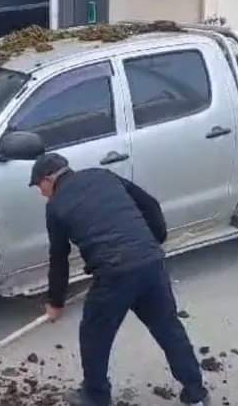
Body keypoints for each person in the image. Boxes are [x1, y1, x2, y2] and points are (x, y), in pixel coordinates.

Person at [30, 153, 209, 406]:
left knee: (94, 334)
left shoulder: (56, 206)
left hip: (114, 274)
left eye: (39, 186)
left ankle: (95, 395)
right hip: (150, 264)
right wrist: (153, 243)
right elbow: (150, 204)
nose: (41, 193)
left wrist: (55, 302)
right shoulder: (103, 175)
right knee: (168, 328)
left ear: (49, 179)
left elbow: (59, 256)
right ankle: (196, 393)